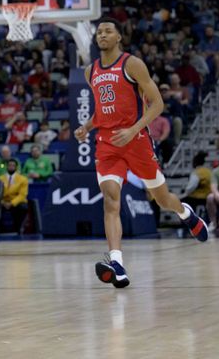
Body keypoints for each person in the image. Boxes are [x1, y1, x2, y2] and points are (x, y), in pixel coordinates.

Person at [75, 18, 207, 289]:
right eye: (99, 32)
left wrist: (134, 130)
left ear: (119, 37)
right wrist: (87, 126)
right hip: (107, 144)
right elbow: (103, 108)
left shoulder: (132, 64)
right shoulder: (91, 71)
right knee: (111, 200)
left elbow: (157, 104)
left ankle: (185, 213)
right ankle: (117, 263)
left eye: (108, 31)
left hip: (137, 141)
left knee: (161, 199)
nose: (102, 35)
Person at [0, 159, 29, 233]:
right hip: (4, 201)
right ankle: (0, 230)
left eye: (13, 165)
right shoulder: (0, 179)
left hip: (16, 201)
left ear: (16, 167)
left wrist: (12, 203)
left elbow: (22, 195)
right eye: (9, 165)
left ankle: (18, 229)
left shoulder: (23, 179)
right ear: (6, 167)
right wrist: (3, 202)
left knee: (23, 207)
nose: (11, 167)